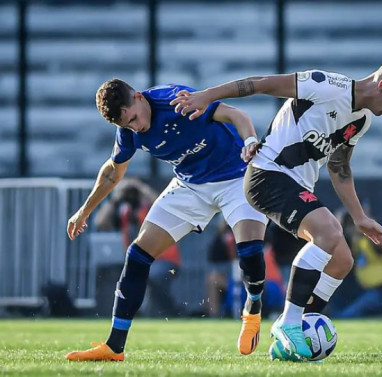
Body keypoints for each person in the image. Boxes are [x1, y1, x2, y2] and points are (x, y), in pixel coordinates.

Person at [171, 56, 382, 359]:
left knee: (342, 260)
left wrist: (360, 217)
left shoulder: (362, 119)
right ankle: (288, 323)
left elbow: (339, 166)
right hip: (267, 176)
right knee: (328, 232)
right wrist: (206, 96)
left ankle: (292, 338)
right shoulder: (325, 85)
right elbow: (261, 84)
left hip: (295, 188)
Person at [65, 80, 268, 361]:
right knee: (137, 254)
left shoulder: (176, 101)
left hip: (236, 177)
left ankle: (253, 307)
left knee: (250, 252)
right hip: (190, 186)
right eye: (127, 125)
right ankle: (114, 347)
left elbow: (237, 115)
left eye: (134, 118)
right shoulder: (128, 131)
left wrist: (250, 142)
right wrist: (83, 211)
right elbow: (113, 172)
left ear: (139, 97)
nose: (135, 127)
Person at [95, 177, 183, 318]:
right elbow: (101, 222)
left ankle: (172, 311)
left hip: (164, 259)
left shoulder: (151, 207)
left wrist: (141, 188)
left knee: (150, 275)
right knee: (121, 275)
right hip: (138, 258)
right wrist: (115, 199)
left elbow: (163, 204)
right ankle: (127, 312)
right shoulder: (124, 211)